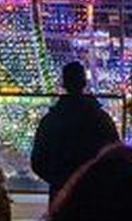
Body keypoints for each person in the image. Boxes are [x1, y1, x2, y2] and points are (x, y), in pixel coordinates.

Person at [29, 61, 119, 199]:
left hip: (61, 194)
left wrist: (59, 180)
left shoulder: (52, 119)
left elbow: (38, 161)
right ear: (84, 82)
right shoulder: (101, 118)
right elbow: (115, 155)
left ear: (63, 83)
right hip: (94, 195)